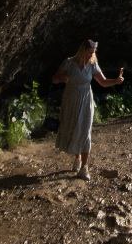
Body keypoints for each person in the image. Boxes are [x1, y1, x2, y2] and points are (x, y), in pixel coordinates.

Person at [52, 40, 124, 180]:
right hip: (71, 99)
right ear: (82, 50)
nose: (92, 54)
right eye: (90, 51)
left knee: (85, 130)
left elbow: (102, 82)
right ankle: (77, 158)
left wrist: (116, 81)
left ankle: (84, 168)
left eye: (94, 52)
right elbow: (54, 79)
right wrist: (62, 78)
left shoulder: (92, 64)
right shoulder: (69, 63)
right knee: (74, 128)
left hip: (86, 100)